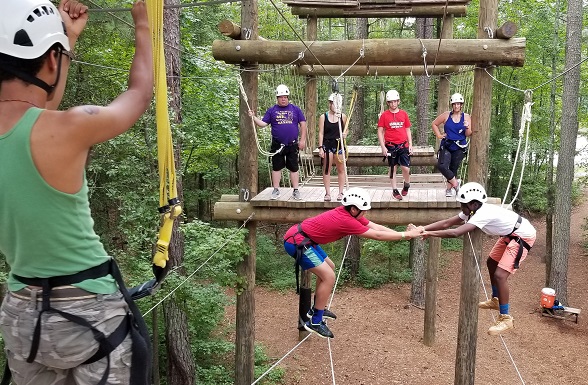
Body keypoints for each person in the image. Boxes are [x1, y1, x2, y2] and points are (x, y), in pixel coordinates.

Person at [0, 0, 153, 384]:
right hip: (89, 313)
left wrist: (65, 40)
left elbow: (35, 108)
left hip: (21, 316)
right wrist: (143, 26)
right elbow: (138, 94)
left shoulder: (51, 128)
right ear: (50, 61)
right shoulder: (67, 128)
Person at [283, 187, 424, 338]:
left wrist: (404, 234)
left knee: (330, 267)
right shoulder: (345, 220)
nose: (366, 213)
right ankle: (316, 322)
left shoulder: (350, 214)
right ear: (353, 209)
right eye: (364, 210)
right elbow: (376, 235)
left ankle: (316, 309)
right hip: (297, 242)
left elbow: (376, 227)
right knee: (328, 276)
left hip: (306, 240)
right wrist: (406, 234)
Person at [419, 182, 536, 335]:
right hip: (510, 234)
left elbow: (456, 232)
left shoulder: (482, 213)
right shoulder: (472, 211)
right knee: (491, 262)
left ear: (473, 204)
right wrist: (422, 228)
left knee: (500, 276)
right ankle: (495, 300)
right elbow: (447, 223)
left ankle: (506, 318)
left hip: (522, 237)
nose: (461, 208)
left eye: (463, 205)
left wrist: (429, 234)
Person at [249, 84, 307, 200]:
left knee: (294, 167)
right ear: (277, 98)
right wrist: (253, 117)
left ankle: (296, 190)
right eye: (281, 97)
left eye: (285, 96)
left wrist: (303, 140)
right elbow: (263, 124)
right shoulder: (272, 111)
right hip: (277, 145)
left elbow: (303, 124)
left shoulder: (295, 109)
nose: (283, 99)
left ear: (288, 97)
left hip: (292, 144)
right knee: (276, 167)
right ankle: (276, 190)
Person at [431, 92, 472, 197]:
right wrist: (439, 135)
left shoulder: (466, 117)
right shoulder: (446, 115)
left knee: (453, 168)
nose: (456, 106)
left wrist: (467, 127)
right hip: (447, 144)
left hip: (460, 147)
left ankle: (449, 189)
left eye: (458, 104)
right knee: (442, 166)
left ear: (461, 105)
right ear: (452, 105)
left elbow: (468, 134)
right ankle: (456, 184)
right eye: (454, 104)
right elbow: (434, 124)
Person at [377, 89, 413, 200]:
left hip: (403, 145)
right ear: (388, 103)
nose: (393, 104)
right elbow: (380, 131)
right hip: (390, 146)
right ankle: (394, 190)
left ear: (398, 102)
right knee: (392, 168)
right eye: (391, 102)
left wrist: (410, 144)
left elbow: (407, 129)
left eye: (395, 101)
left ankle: (407, 184)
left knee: (405, 168)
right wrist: (383, 147)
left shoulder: (403, 114)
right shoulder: (384, 116)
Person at [318, 93, 348, 201]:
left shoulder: (342, 116)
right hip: (327, 144)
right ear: (330, 104)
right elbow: (321, 133)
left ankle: (341, 192)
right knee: (327, 169)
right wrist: (320, 147)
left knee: (341, 169)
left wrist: (345, 134)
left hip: (339, 144)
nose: (336, 106)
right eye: (334, 103)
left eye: (338, 104)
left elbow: (346, 129)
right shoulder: (323, 117)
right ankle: (328, 193)